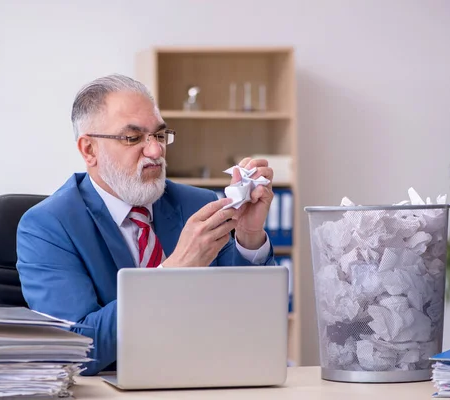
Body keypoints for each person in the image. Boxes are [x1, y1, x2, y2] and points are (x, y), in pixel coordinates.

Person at [16, 74, 277, 375]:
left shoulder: (197, 204)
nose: (155, 151)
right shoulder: (47, 226)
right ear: (89, 150)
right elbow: (74, 348)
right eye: (133, 138)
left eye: (159, 135)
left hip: (206, 382)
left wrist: (249, 237)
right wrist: (172, 273)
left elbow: (247, 318)